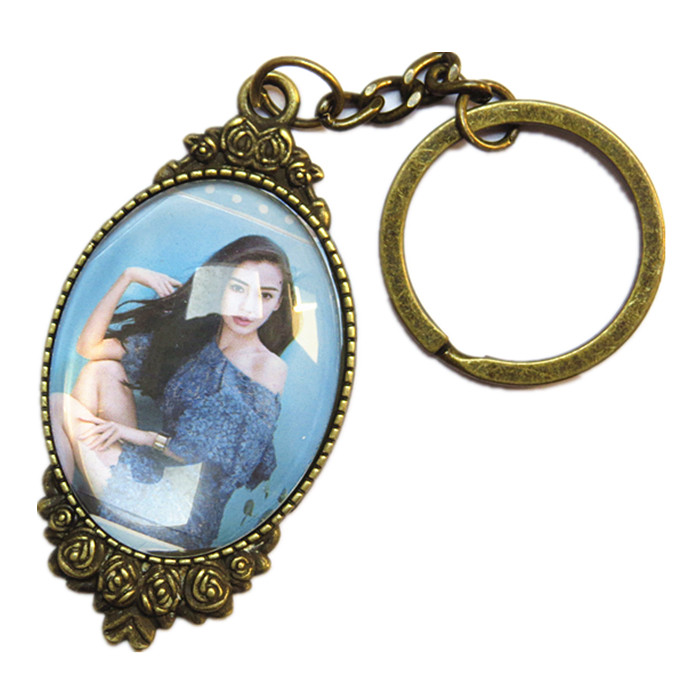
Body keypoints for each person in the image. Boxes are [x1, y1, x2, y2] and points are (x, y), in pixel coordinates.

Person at [50, 235, 297, 551]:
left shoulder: (268, 367)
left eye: (265, 295)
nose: (249, 307)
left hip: (180, 513)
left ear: (278, 303)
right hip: (155, 474)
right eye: (238, 288)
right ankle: (78, 504)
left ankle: (64, 515)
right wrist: (129, 276)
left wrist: (133, 434)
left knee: (58, 404)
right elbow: (89, 347)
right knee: (101, 370)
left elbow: (208, 456)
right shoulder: (195, 343)